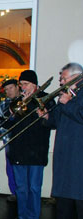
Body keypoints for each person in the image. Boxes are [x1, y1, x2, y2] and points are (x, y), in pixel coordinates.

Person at [4, 70, 53, 219]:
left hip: (37, 150)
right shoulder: (18, 100)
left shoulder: (46, 98)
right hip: (18, 150)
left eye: (25, 84)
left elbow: (49, 121)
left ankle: (33, 216)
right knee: (21, 188)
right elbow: (8, 124)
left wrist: (30, 102)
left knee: (34, 187)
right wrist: (10, 115)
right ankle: (22, 216)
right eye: (21, 84)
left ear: (34, 84)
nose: (22, 87)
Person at [38, 63, 83, 218]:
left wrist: (68, 103)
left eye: (63, 79)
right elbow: (56, 122)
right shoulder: (66, 95)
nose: (61, 82)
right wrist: (46, 117)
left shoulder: (71, 97)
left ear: (76, 77)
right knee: (63, 209)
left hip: (79, 160)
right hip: (64, 159)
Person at [0, 79, 21, 201]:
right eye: (6, 90)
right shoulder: (4, 104)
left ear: (18, 87)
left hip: (22, 141)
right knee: (10, 168)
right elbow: (0, 122)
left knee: (21, 169)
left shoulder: (24, 101)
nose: (8, 92)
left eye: (11, 88)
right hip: (9, 139)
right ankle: (14, 192)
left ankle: (22, 192)